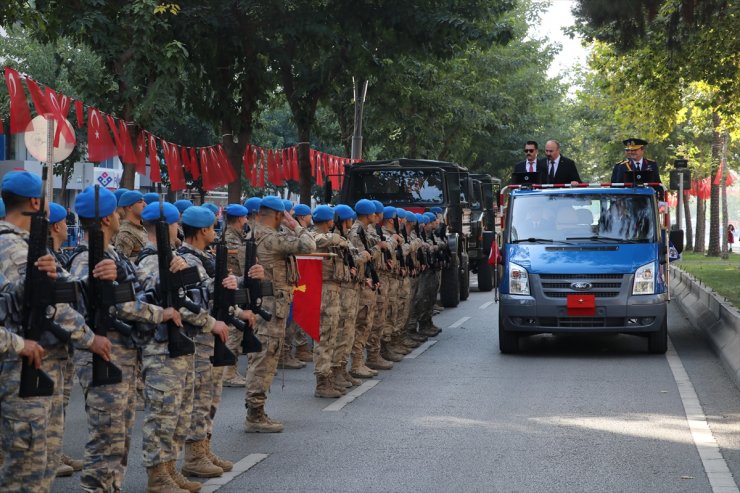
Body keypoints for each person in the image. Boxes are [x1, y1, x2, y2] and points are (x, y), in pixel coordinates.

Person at [0, 171, 112, 493]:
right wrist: (91, 340)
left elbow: (67, 293)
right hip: (23, 369)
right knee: (26, 474)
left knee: (40, 466)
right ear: (36, 202)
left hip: (38, 367)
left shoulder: (29, 246)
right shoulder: (15, 249)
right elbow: (56, 309)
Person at [67, 185, 183, 492]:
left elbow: (140, 282)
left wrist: (173, 266)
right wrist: (162, 314)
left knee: (118, 436)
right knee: (106, 438)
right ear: (107, 219)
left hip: (122, 355)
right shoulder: (87, 259)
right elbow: (114, 305)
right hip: (102, 355)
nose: (121, 215)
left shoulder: (113, 254)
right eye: (117, 211)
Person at [135, 201, 230, 492]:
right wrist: (208, 323)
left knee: (177, 413)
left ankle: (170, 468)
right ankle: (158, 475)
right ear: (170, 226)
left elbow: (193, 295)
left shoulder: (173, 257)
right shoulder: (151, 261)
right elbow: (165, 304)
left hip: (180, 343)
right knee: (163, 413)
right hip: (162, 346)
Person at [176, 206, 256, 476]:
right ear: (201, 231)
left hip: (212, 336)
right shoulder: (187, 261)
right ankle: (194, 456)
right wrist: (212, 322)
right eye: (211, 228)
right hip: (198, 338)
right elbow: (189, 302)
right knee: (199, 398)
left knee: (211, 397)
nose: (215, 232)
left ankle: (204, 447)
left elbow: (215, 297)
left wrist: (238, 311)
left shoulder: (205, 257)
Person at [244, 196, 315, 433]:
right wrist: (296, 225)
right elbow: (309, 246)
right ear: (278, 215)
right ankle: (255, 414)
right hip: (272, 306)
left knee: (263, 356)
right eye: (284, 215)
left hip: (267, 303)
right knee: (265, 357)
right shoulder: (272, 238)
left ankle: (256, 410)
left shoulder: (255, 234)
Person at [309, 205, 349, 398]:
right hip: (323, 291)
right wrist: (338, 238)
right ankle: (322, 381)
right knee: (325, 336)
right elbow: (317, 239)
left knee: (331, 334)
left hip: (333, 290)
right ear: (329, 221)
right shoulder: (315, 236)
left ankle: (329, 377)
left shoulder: (329, 237)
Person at [222, 203, 249, 387]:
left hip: (236, 283)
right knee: (234, 329)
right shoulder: (231, 238)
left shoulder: (237, 236)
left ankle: (230, 369)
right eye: (245, 217)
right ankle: (228, 372)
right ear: (240, 219)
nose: (246, 220)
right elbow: (243, 262)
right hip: (234, 285)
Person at [115, 190, 148, 262]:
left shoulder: (141, 228)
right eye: (140, 202)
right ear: (129, 207)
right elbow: (123, 264)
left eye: (144, 201)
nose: (145, 204)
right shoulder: (125, 233)